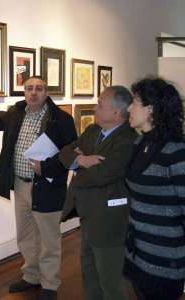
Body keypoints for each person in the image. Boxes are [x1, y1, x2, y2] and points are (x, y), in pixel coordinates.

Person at [0, 76, 77, 300]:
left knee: (49, 238)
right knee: (26, 234)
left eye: (39, 89)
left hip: (47, 187)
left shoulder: (61, 119)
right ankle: (31, 275)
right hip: (21, 184)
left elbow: (71, 154)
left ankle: (50, 284)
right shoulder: (16, 113)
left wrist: (47, 168)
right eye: (29, 88)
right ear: (24, 91)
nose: (33, 93)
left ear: (46, 92)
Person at [59, 86, 137, 300]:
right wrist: (81, 160)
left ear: (116, 113)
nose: (95, 108)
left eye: (100, 105)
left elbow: (104, 174)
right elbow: (65, 152)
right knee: (89, 273)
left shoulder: (127, 139)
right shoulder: (93, 131)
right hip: (87, 213)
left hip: (110, 218)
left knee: (110, 280)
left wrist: (77, 170)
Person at [123, 77, 185, 300]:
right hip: (138, 252)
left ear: (152, 109)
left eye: (135, 102)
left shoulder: (176, 150)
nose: (129, 107)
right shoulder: (140, 144)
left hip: (166, 259)